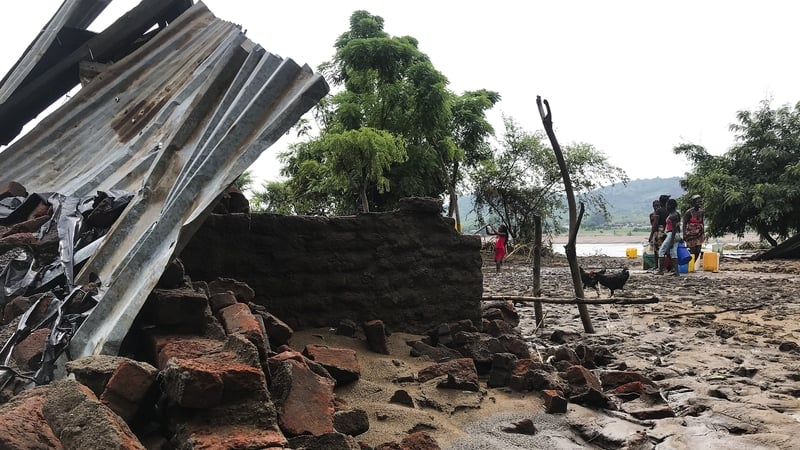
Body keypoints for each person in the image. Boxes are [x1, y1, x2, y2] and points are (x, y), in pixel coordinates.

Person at [658, 198, 682, 276]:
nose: (666, 206)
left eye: (667, 205)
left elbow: (674, 228)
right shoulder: (677, 213)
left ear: (671, 206)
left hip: (672, 234)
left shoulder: (673, 215)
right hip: (676, 234)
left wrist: (671, 240)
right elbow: (678, 227)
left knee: (661, 251)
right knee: (673, 253)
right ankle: (676, 272)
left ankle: (661, 271)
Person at [648, 195, 670, 271]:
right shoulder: (669, 211)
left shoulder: (659, 211)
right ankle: (659, 266)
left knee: (659, 250)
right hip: (667, 231)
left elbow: (655, 224)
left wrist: (651, 235)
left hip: (659, 232)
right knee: (662, 249)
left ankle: (661, 267)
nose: (656, 207)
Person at [682, 194, 705, 262]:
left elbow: (702, 222)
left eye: (700, 202)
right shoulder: (689, 212)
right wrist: (684, 234)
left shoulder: (701, 212)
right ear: (694, 203)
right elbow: (684, 223)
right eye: (698, 202)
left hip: (699, 233)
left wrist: (703, 232)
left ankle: (693, 264)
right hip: (691, 234)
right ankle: (689, 264)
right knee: (692, 250)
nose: (699, 203)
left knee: (698, 250)